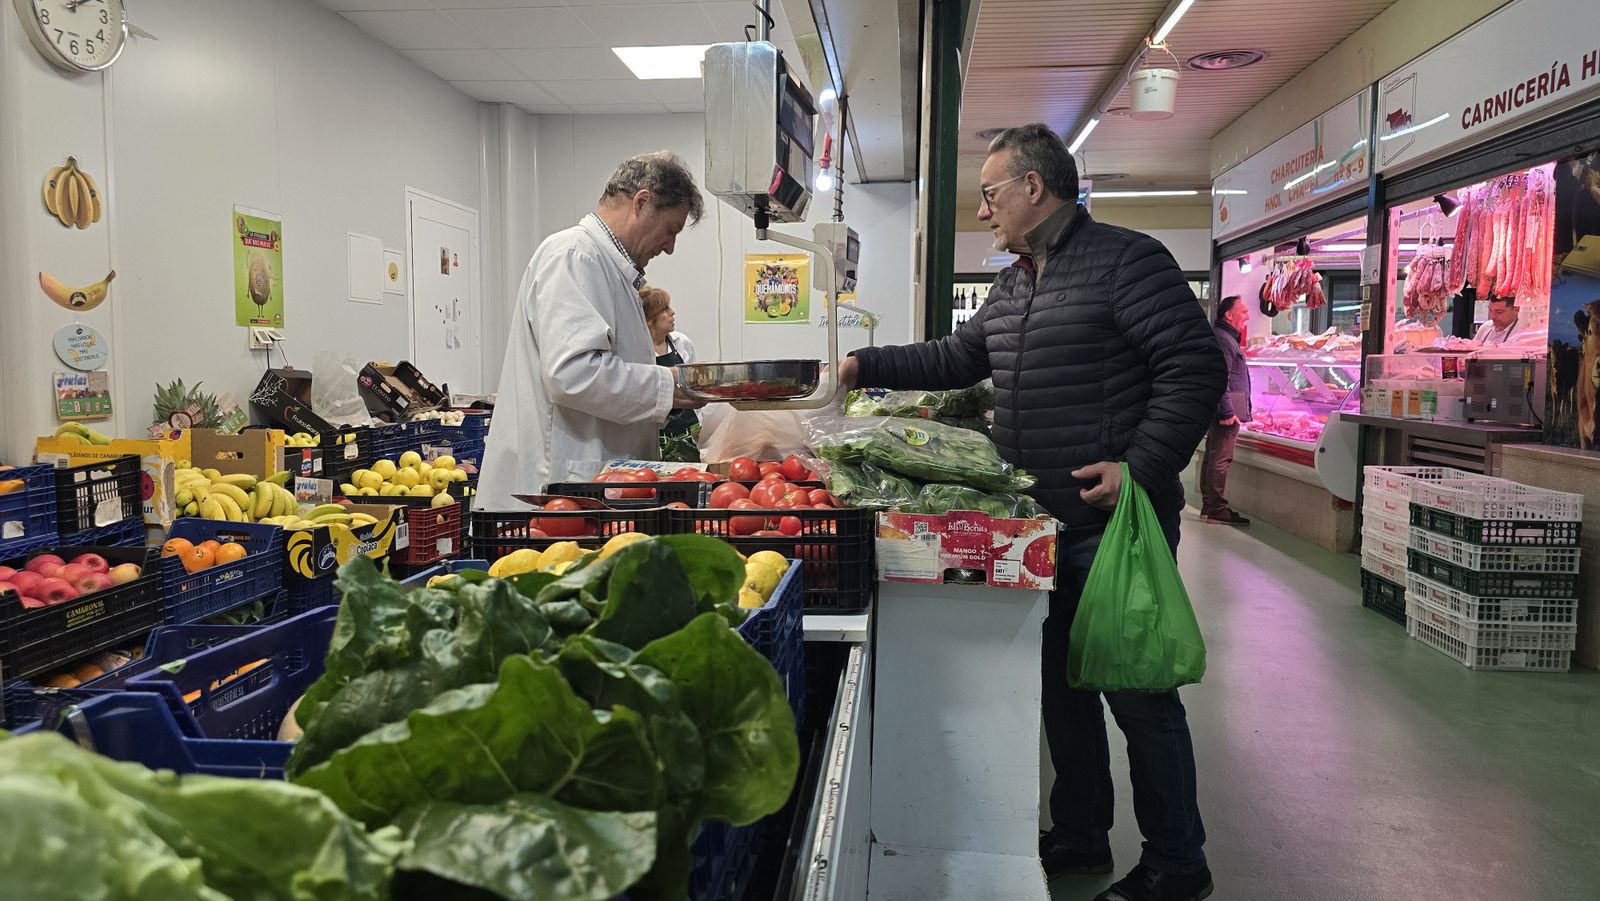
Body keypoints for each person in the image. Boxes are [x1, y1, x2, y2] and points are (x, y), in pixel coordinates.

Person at [839, 123, 1224, 901]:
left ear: (1033, 187)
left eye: (989, 194)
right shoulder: (1018, 281)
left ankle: (1179, 862)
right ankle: (1081, 835)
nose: (983, 211)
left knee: (1140, 698)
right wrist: (861, 363)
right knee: (1064, 695)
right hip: (1042, 533)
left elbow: (1195, 367)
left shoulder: (1126, 261)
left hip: (1116, 527)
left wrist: (1140, 469)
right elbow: (957, 357)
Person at [476, 151, 706, 510]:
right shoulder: (574, 256)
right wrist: (671, 386)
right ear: (641, 204)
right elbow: (572, 374)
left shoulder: (612, 270)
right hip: (560, 490)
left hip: (591, 484)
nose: (670, 247)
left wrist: (672, 394)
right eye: (670, 230)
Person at [1200, 295, 1251, 526]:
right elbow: (1222, 377)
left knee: (1213, 456)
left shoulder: (1225, 337)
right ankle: (1216, 508)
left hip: (1223, 409)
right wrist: (1228, 412)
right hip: (1226, 412)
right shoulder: (1223, 339)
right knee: (1220, 458)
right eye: (1244, 311)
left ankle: (1209, 506)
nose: (1247, 315)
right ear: (1228, 315)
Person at [641, 284, 702, 462]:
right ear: (650, 318)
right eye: (665, 309)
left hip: (689, 428)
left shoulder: (682, 342)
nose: (672, 312)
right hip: (657, 433)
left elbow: (694, 384)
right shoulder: (639, 350)